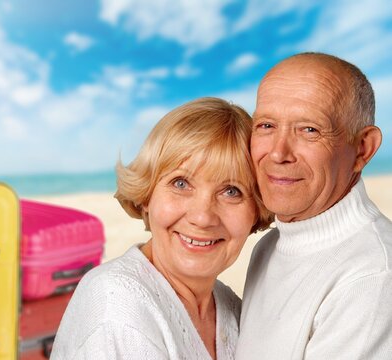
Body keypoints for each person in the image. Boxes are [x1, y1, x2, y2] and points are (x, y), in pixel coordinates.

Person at [50, 97, 272, 360]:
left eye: (231, 191)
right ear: (146, 196)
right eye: (181, 183)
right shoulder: (118, 305)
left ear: (256, 210)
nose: (202, 217)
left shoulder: (229, 307)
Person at [236, 52, 392, 359]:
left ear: (362, 149)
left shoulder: (372, 276)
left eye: (309, 130)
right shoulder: (269, 246)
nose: (278, 153)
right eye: (266, 126)